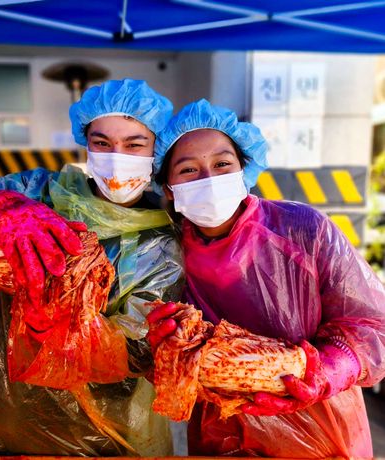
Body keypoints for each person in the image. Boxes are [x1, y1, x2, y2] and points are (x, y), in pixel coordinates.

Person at [0, 78, 183, 456]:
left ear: (155, 148)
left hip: (103, 428)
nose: (117, 156)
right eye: (102, 143)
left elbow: (141, 353)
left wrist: (56, 310)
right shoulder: (40, 191)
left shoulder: (165, 241)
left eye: (134, 144)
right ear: (86, 144)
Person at [147, 98, 385, 458]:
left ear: (244, 169)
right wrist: (163, 352)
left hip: (323, 433)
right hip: (224, 438)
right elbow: (147, 352)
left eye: (222, 164)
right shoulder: (167, 256)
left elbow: (372, 325)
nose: (209, 179)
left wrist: (330, 369)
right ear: (168, 188)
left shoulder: (303, 230)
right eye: (189, 170)